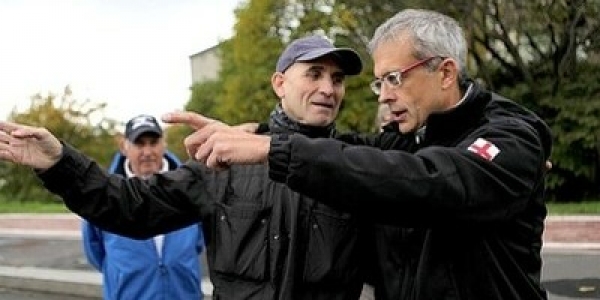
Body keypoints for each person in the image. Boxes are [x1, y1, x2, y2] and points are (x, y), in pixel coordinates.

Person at [161, 9, 553, 300]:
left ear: (446, 73)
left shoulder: (511, 136)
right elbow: (348, 156)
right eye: (379, 82)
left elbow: (431, 182)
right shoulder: (403, 140)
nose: (383, 94)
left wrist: (272, 146)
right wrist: (263, 135)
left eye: (394, 79)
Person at [0, 35, 369, 300]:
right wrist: (59, 163)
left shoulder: (359, 165)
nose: (328, 88)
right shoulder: (225, 160)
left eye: (337, 79)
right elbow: (131, 207)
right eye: (315, 73)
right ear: (280, 83)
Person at [81, 114, 205, 300]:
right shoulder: (104, 195)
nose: (147, 152)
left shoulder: (191, 190)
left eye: (153, 142)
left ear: (164, 144)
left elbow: (198, 243)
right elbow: (95, 252)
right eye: (139, 144)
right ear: (124, 147)